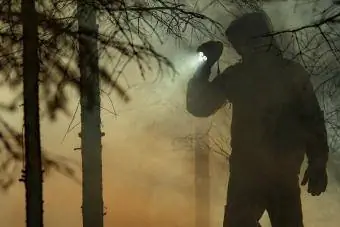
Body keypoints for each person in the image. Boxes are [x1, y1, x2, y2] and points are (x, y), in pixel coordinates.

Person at [186, 11, 329, 227]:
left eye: (239, 42)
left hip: (260, 173)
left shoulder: (246, 75)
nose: (239, 48)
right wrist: (317, 162)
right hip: (263, 173)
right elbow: (313, 120)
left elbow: (312, 120)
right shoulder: (285, 72)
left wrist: (203, 67)